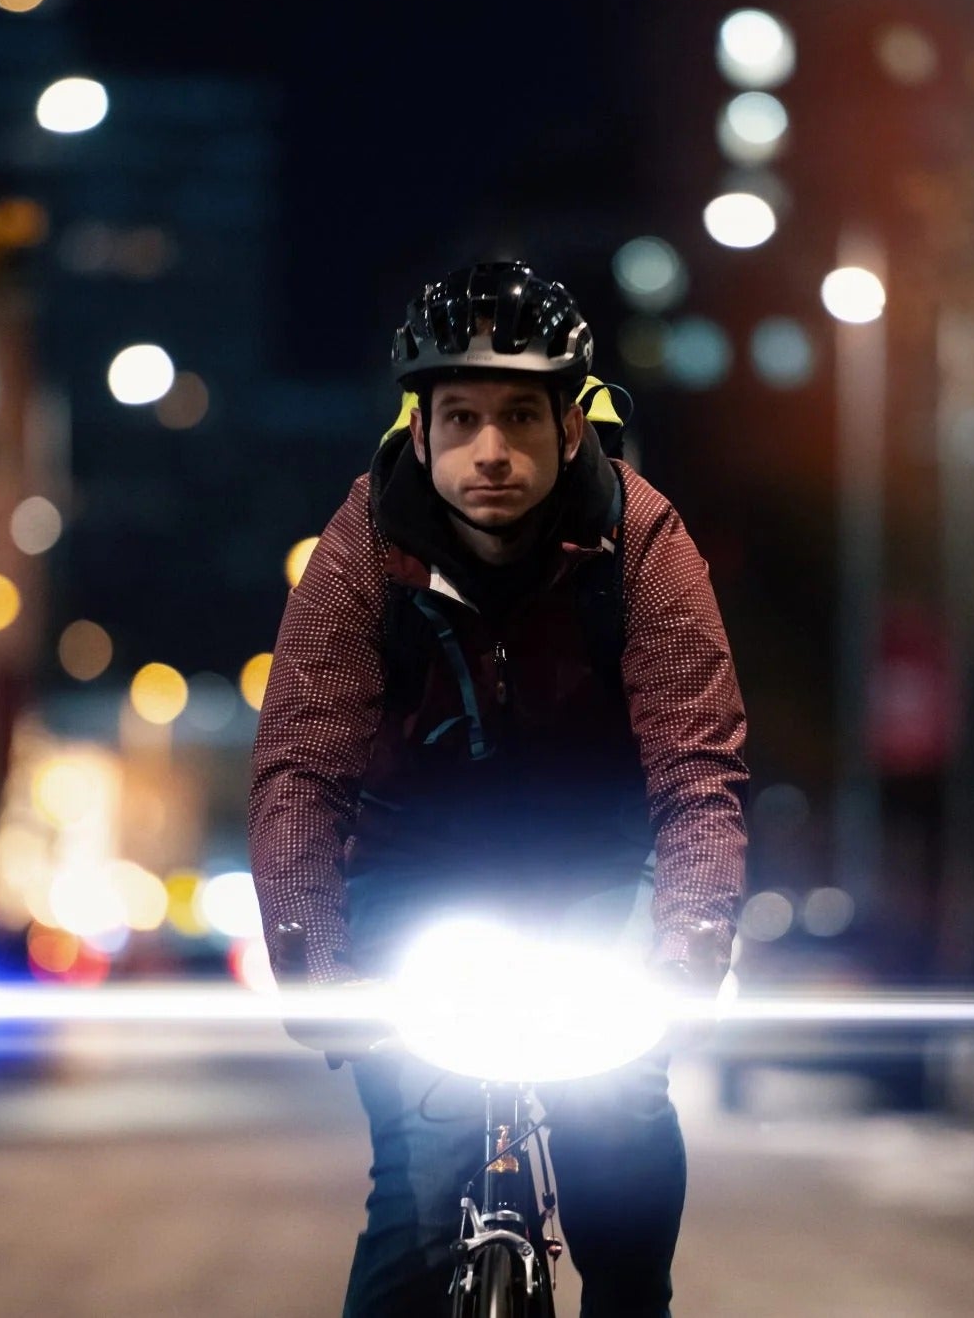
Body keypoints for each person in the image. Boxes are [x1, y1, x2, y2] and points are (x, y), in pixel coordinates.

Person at [246, 260, 748, 1316]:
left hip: (590, 882)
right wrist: (315, 964)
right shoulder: (360, 553)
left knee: (620, 1150)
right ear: (417, 430)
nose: (489, 450)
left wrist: (688, 945)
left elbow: (698, 771)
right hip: (410, 885)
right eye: (461, 416)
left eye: (519, 416)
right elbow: (298, 767)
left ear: (571, 427)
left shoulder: (642, 543)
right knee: (423, 1195)